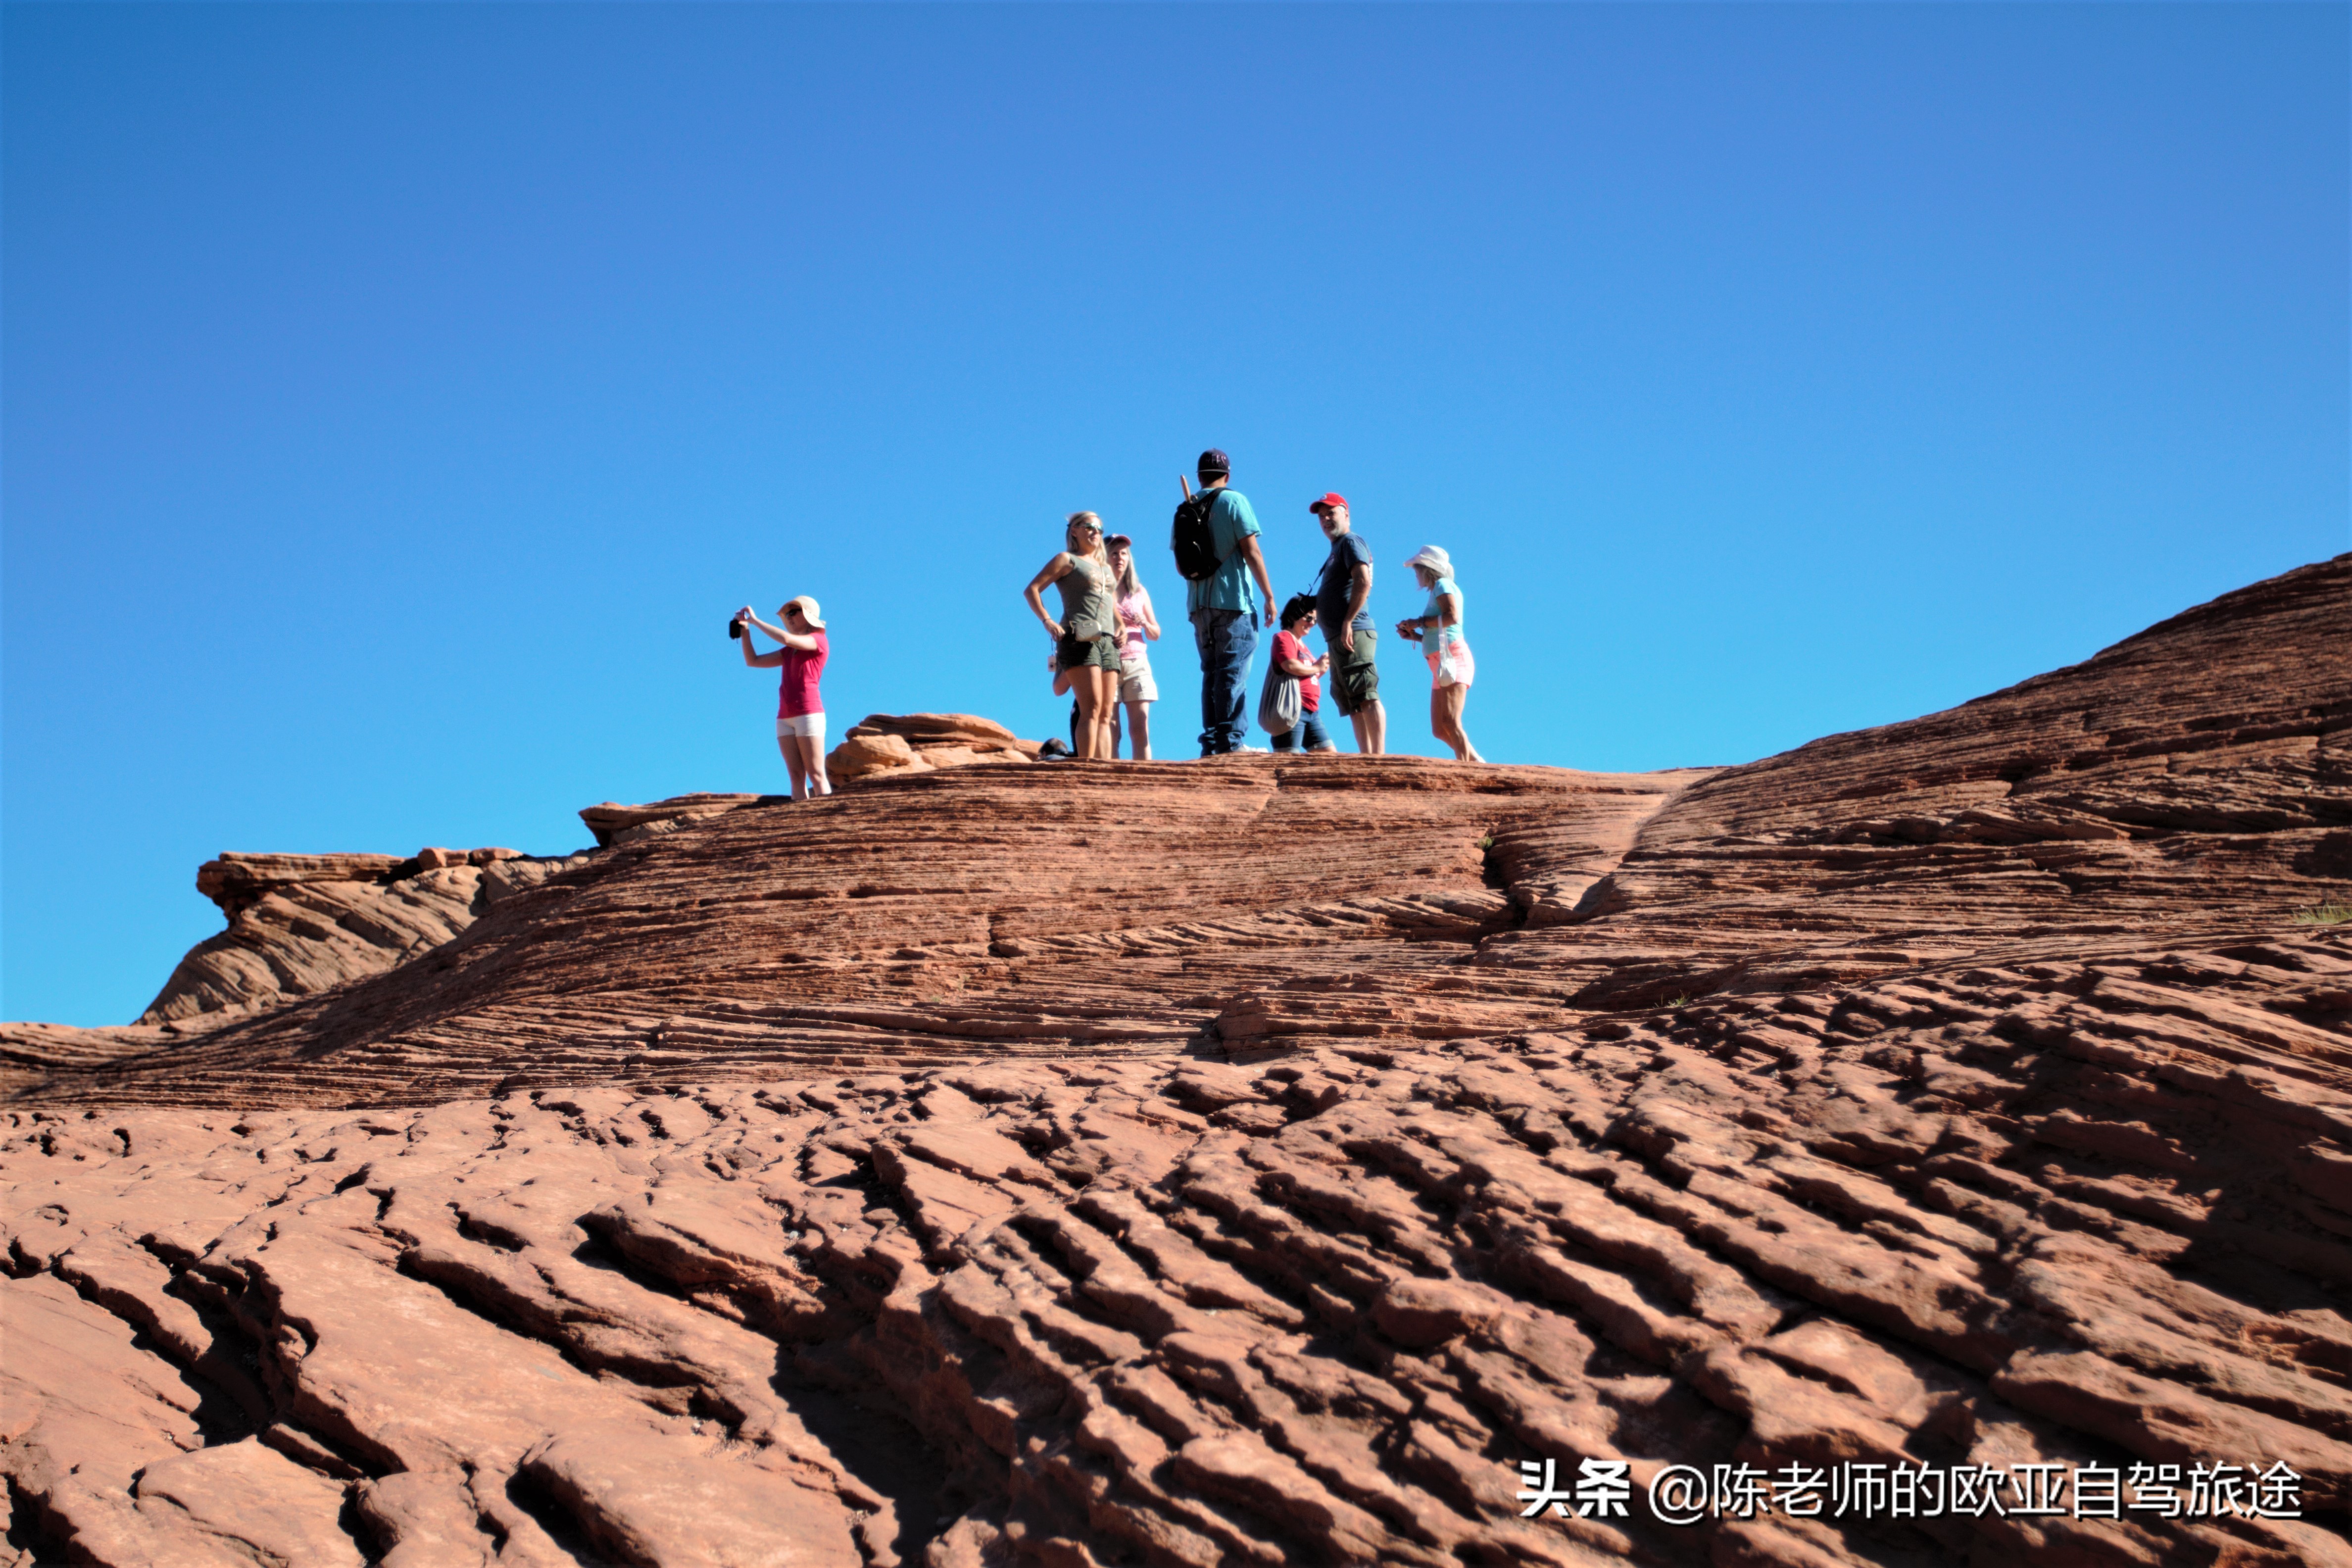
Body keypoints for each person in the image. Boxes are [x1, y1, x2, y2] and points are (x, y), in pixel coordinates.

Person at [1184, 449, 1275, 756]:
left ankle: (1211, 743)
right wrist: (1269, 596)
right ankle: (1231, 743)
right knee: (1232, 672)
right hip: (1233, 600)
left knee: (1211, 673)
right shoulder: (1235, 501)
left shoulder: (1186, 506)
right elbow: (1252, 551)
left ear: (1199, 476)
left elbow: (1180, 563)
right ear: (1228, 475)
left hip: (1198, 606)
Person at [1025, 512, 1121, 760]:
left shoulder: (1105, 568)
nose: (1095, 532)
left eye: (1099, 528)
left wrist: (1120, 626)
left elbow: (1110, 604)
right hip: (1079, 638)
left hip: (1108, 641)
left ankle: (1104, 769)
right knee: (1091, 707)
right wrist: (1047, 620)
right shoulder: (1067, 560)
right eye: (1088, 527)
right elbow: (1032, 590)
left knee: (1107, 713)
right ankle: (1086, 768)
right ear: (1074, 531)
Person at [1309, 492, 1386, 755]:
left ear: (1346, 514)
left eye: (1331, 513)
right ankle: (1366, 758)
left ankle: (1378, 757)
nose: (1326, 520)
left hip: (1353, 631)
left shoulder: (1351, 542)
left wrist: (1348, 621)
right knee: (1350, 700)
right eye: (1321, 517)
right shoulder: (1336, 549)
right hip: (1336, 636)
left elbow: (1363, 581)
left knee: (1365, 692)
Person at [735, 595, 832, 798]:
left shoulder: (819, 640)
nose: (789, 618)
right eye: (787, 614)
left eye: (793, 612)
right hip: (785, 716)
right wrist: (745, 630)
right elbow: (753, 661)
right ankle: (802, 822)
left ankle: (828, 820)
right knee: (796, 776)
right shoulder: (789, 651)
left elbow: (787, 638)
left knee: (816, 773)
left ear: (808, 615)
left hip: (809, 713)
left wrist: (756, 620)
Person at [1396, 545, 1484, 763]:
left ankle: (1466, 769)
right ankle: (1476, 762)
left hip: (1452, 659)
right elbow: (1440, 631)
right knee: (1439, 728)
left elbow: (1452, 617)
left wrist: (1418, 622)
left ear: (1427, 569)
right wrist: (1416, 636)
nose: (1416, 574)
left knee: (1452, 722)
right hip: (1440, 662)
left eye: (1417, 569)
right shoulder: (1438, 589)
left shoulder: (1444, 585)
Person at [1105, 533, 1160, 759]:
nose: (1120, 558)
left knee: (1139, 729)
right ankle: (1113, 781)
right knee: (1110, 729)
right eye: (1114, 553)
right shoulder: (1099, 589)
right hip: (1107, 663)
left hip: (1137, 662)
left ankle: (1144, 779)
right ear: (1105, 557)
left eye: (1124, 553)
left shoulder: (1139, 591)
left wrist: (1145, 622)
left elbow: (1156, 633)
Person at [1267, 594, 1336, 753]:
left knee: (1329, 756)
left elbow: (1305, 674)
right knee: (1288, 759)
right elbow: (1289, 665)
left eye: (1315, 621)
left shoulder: (1303, 646)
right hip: (1293, 709)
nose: (1312, 623)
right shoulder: (1284, 637)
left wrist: (1321, 669)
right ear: (1294, 615)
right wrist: (1317, 668)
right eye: (1309, 618)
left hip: (1312, 712)